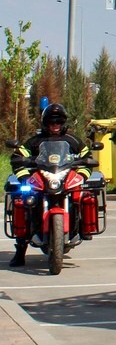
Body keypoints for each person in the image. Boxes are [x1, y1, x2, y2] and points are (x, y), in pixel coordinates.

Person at [9, 103, 94, 267]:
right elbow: (17, 158)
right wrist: (25, 178)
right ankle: (20, 250)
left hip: (64, 178)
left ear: (64, 123)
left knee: (82, 197)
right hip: (41, 180)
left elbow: (87, 158)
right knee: (23, 202)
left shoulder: (72, 140)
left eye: (59, 121)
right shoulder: (35, 141)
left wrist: (81, 175)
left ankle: (83, 228)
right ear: (45, 122)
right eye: (52, 121)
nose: (55, 125)